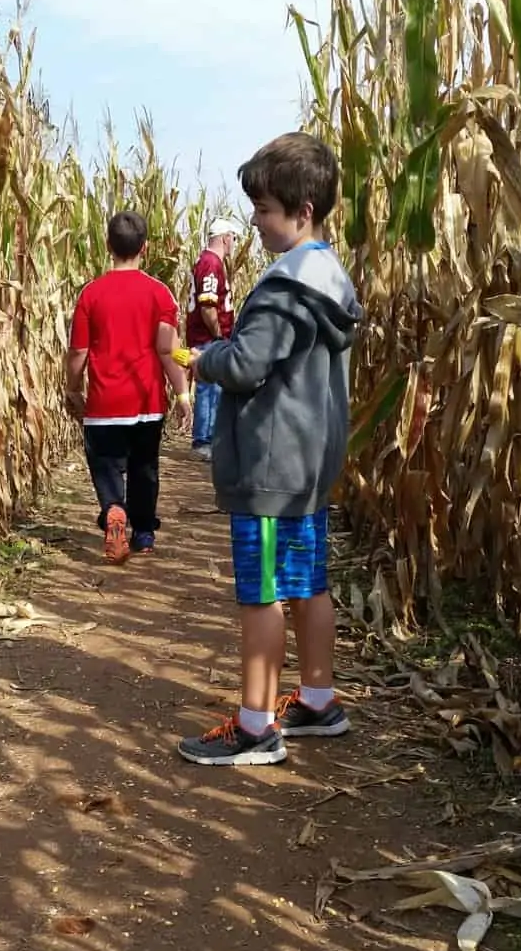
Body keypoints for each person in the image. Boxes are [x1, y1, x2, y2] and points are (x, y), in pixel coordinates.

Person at [177, 132, 362, 766]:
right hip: (308, 464)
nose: (255, 223)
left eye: (263, 210)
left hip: (270, 465)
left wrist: (202, 358)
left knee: (260, 591)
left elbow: (248, 363)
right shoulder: (330, 277)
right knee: (309, 583)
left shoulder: (286, 288)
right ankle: (317, 700)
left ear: (302, 211)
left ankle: (256, 727)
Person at [65, 211, 191, 563]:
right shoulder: (159, 294)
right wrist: (182, 394)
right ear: (145, 248)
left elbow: (79, 351)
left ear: (108, 246)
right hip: (147, 403)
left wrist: (73, 388)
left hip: (105, 404)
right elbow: (169, 351)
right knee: (144, 467)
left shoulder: (91, 294)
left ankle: (113, 510)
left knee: (106, 465)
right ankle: (145, 532)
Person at [186, 216, 239, 461]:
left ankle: (208, 438)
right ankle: (203, 440)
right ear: (225, 237)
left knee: (212, 388)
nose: (234, 244)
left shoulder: (208, 261)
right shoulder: (211, 263)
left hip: (208, 337)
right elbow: (208, 306)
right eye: (234, 238)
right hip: (207, 338)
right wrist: (219, 335)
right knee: (209, 388)